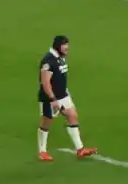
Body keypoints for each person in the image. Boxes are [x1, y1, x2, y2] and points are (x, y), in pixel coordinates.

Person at [36, 34, 96, 162]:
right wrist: (53, 99)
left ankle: (80, 149)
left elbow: (60, 78)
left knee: (72, 115)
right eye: (64, 45)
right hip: (50, 98)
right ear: (58, 46)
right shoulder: (48, 61)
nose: (67, 47)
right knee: (46, 122)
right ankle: (42, 151)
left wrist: (66, 92)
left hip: (63, 95)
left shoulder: (60, 58)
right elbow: (45, 82)